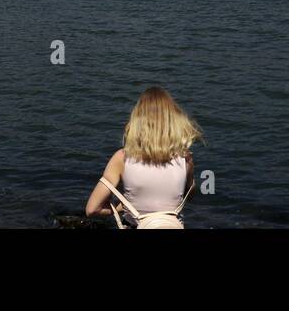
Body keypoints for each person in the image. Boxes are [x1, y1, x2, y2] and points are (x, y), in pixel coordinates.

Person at [84, 86, 202, 229]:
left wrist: (122, 207)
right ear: (173, 119)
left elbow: (92, 209)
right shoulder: (185, 158)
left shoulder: (122, 158)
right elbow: (189, 195)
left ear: (137, 120)